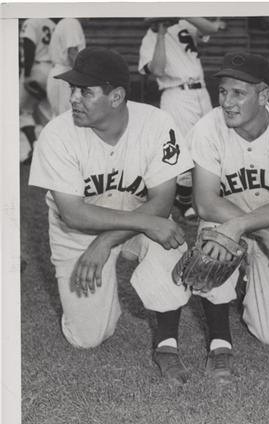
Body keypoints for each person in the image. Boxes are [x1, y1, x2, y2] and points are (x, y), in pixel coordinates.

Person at [29, 47, 194, 385]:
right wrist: (141, 224)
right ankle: (102, 304)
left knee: (169, 241)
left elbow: (161, 202)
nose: (73, 98)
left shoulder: (157, 123)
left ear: (116, 96)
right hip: (77, 230)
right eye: (73, 89)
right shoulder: (58, 134)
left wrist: (106, 242)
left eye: (85, 91)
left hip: (133, 215)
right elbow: (74, 214)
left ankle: (166, 342)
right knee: (87, 337)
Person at [187, 52, 269, 383]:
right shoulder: (206, 127)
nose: (227, 102)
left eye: (238, 93)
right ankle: (219, 343)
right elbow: (204, 202)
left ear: (263, 95)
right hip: (226, 217)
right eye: (223, 91)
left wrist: (258, 229)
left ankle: (246, 285)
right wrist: (253, 230)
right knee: (214, 244)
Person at [138, 17, 226, 219]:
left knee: (211, 144)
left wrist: (183, 10)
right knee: (186, 150)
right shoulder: (149, 38)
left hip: (200, 90)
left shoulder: (184, 25)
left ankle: (200, 198)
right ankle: (184, 203)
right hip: (176, 93)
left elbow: (211, 28)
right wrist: (160, 34)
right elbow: (158, 70)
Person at [19, 17, 57, 163]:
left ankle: (35, 150)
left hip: (36, 69)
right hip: (52, 70)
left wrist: (27, 75)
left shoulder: (32, 21)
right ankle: (53, 151)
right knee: (47, 113)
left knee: (24, 111)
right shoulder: (52, 23)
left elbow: (29, 45)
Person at [46, 17, 86, 118]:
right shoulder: (71, 22)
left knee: (59, 119)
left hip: (61, 73)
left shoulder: (67, 22)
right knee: (67, 118)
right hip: (65, 74)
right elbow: (72, 52)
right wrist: (82, 77)